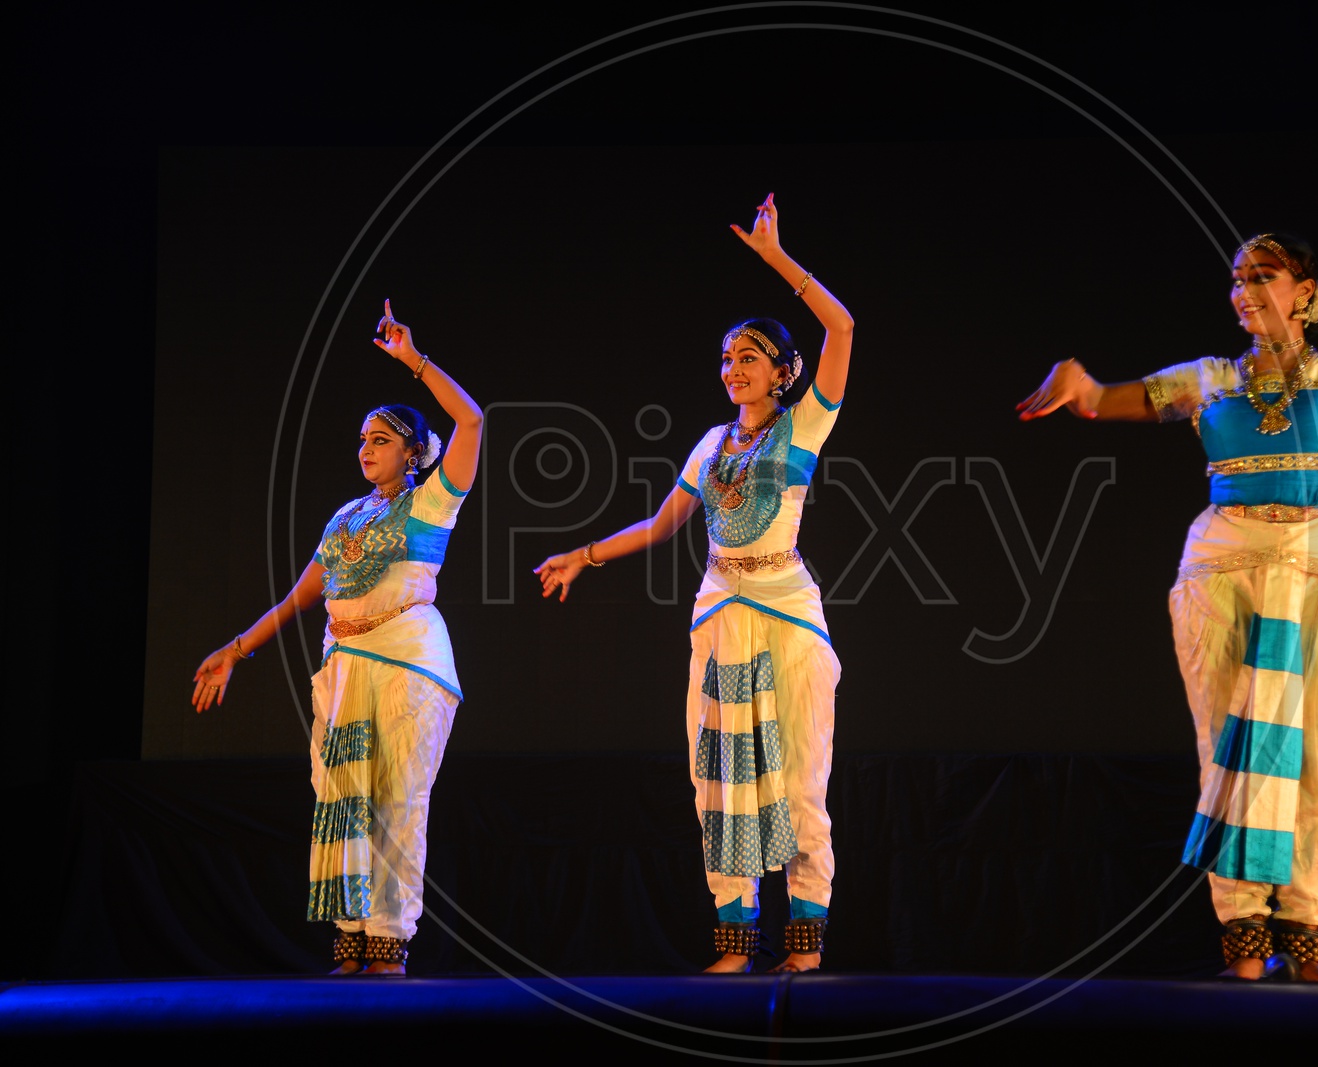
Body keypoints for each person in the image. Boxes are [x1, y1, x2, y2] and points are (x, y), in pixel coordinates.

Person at [1016, 180, 1318, 981]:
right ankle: (1246, 942)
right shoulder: (1208, 379)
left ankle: (1307, 938)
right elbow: (1111, 401)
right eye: (1237, 278)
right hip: (1225, 574)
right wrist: (1082, 389)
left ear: (1307, 291)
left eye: (1262, 276)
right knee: (1233, 751)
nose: (1243, 289)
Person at [536, 194, 853, 974]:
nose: (732, 368)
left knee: (797, 775)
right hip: (719, 611)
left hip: (784, 608)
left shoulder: (804, 423)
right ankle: (736, 944)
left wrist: (777, 259)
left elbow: (842, 328)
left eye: (748, 355)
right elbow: (660, 525)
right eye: (724, 357)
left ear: (783, 371)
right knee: (721, 779)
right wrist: (586, 553)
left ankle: (804, 949)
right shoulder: (711, 443)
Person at [192, 300, 484, 976]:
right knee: (343, 804)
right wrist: (238, 647)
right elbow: (303, 596)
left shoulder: (433, 499)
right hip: (346, 666)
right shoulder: (345, 517)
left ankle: (389, 943)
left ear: (413, 451)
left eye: (380, 439)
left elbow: (471, 420)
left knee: (396, 799)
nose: (365, 449)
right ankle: (351, 944)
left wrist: (414, 361)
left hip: (409, 659)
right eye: (360, 440)